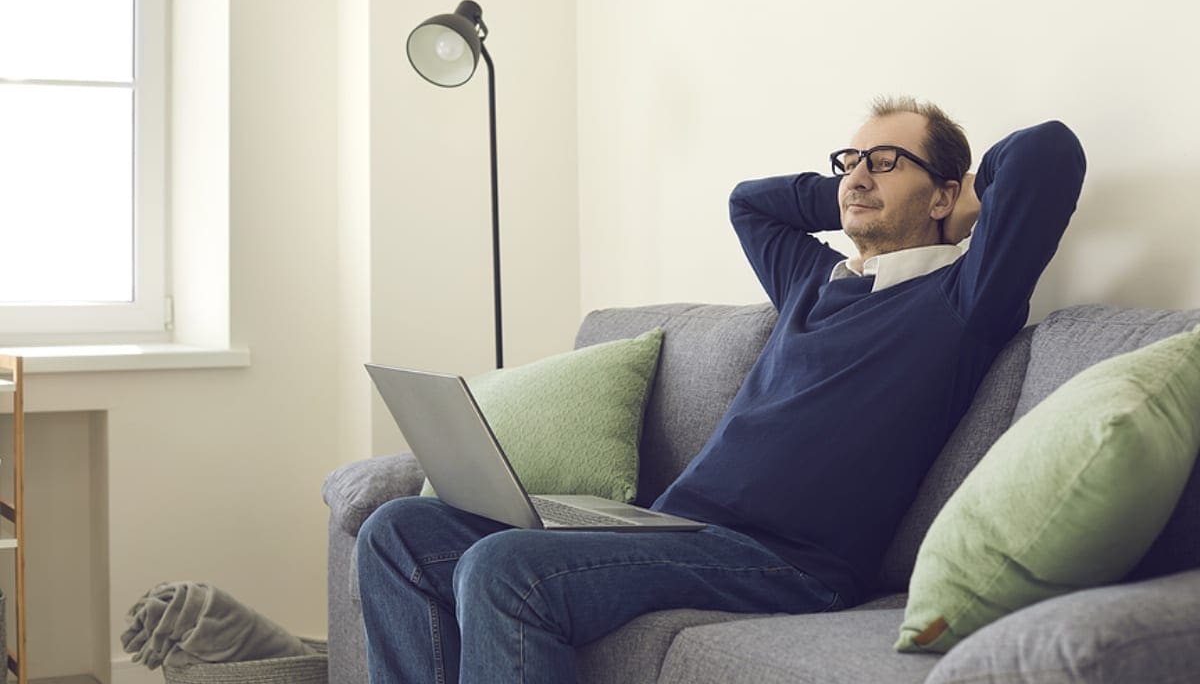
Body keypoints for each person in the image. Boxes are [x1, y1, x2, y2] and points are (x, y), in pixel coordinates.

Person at [356, 96, 1087, 683]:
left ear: (945, 192)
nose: (856, 177)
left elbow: (1047, 150)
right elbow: (750, 203)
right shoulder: (815, 283)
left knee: (504, 569)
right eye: (849, 162)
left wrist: (965, 205)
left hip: (789, 564)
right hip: (674, 530)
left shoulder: (964, 297)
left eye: (887, 162)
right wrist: (854, 191)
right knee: (398, 533)